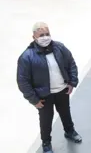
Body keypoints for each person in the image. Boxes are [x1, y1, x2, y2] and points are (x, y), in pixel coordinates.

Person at [17, 22, 82, 153]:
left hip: (62, 90)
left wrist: (72, 82)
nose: (45, 37)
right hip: (44, 96)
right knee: (46, 121)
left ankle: (69, 131)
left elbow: (71, 64)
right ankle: (46, 143)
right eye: (41, 35)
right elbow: (23, 81)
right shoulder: (27, 57)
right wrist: (34, 99)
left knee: (65, 113)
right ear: (34, 36)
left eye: (47, 34)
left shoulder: (60, 48)